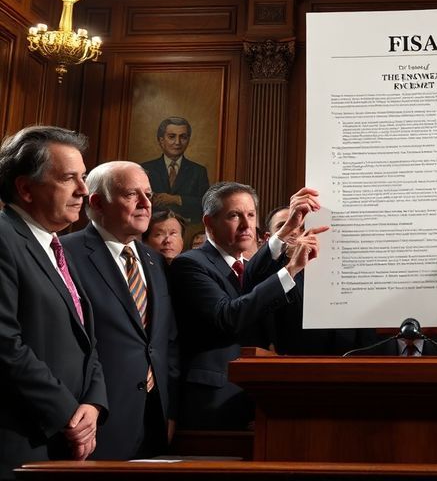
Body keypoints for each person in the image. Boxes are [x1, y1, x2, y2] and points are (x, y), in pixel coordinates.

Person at [169, 183, 326, 429]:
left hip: (253, 396)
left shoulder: (246, 264)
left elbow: (255, 278)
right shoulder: (190, 264)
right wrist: (292, 269)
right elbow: (228, 316)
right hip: (213, 401)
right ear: (209, 222)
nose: (246, 225)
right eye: (234, 215)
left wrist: (286, 230)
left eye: (251, 215)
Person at [0, 126, 107, 478]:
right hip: (21, 440)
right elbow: (5, 344)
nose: (83, 189)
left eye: (85, 177)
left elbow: (86, 339)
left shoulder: (57, 246)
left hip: (66, 439)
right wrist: (67, 414)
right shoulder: (5, 238)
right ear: (26, 188)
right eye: (68, 178)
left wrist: (92, 403)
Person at [62, 161, 179, 459]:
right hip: (97, 418)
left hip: (154, 417)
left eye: (149, 195)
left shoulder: (154, 260)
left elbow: (166, 340)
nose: (145, 204)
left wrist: (170, 407)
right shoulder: (66, 254)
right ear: (98, 202)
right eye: (131, 195)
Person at [263, 205, 361, 356]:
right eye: (283, 226)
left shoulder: (338, 272)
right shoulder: (265, 276)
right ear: (268, 238)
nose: (294, 231)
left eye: (301, 227)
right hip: (291, 365)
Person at [141, 116, 209, 225]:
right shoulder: (145, 168)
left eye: (183, 137)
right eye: (172, 137)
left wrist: (176, 199)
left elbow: (206, 204)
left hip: (188, 230)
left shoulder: (198, 171)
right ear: (161, 140)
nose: (177, 142)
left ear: (188, 140)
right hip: (151, 229)